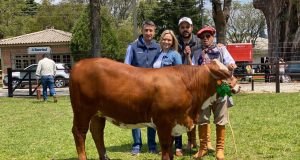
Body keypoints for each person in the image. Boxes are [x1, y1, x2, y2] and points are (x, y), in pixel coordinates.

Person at [194, 26, 237, 160]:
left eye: (208, 36)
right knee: (202, 120)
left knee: (221, 120)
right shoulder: (197, 53)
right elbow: (193, 70)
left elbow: (231, 63)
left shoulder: (221, 49)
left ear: (213, 36)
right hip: (204, 92)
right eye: (202, 37)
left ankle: (220, 149)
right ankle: (203, 148)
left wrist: (230, 66)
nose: (205, 39)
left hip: (220, 90)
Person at [177, 17, 214, 151]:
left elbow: (211, 45)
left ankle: (206, 142)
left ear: (192, 28)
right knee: (188, 112)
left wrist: (221, 44)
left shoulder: (199, 41)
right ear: (179, 29)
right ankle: (191, 141)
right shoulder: (176, 42)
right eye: (182, 27)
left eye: (187, 27)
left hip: (198, 83)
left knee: (202, 111)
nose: (185, 29)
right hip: (181, 82)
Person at [124, 20, 160, 155]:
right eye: (146, 30)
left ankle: (151, 145)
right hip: (136, 89)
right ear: (142, 31)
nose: (148, 33)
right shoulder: (132, 47)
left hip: (153, 89)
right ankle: (137, 145)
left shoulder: (158, 47)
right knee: (136, 116)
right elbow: (126, 68)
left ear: (154, 32)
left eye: (151, 31)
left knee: (153, 117)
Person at [152, 29, 183, 157]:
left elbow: (180, 74)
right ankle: (164, 147)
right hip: (157, 94)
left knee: (174, 121)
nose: (166, 41)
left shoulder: (175, 54)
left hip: (171, 94)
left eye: (169, 40)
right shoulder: (157, 54)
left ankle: (178, 147)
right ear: (161, 40)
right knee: (161, 122)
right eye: (164, 39)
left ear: (172, 41)